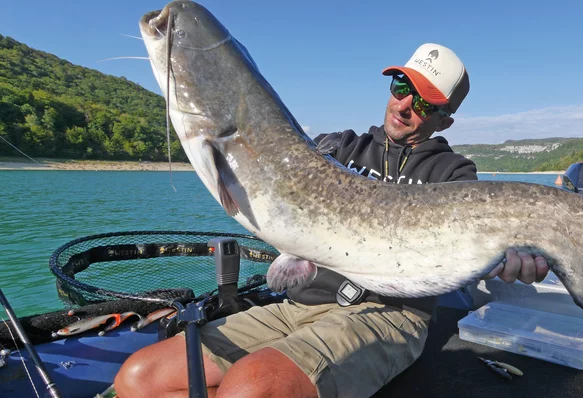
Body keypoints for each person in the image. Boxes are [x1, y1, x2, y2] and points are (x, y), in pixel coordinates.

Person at [114, 43, 550, 398]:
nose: (404, 104)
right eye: (402, 85)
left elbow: (485, 248)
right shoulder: (335, 148)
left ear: (444, 118)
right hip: (297, 304)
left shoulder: (453, 176)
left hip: (387, 316)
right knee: (138, 378)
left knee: (248, 389)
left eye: (424, 101)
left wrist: (515, 258)